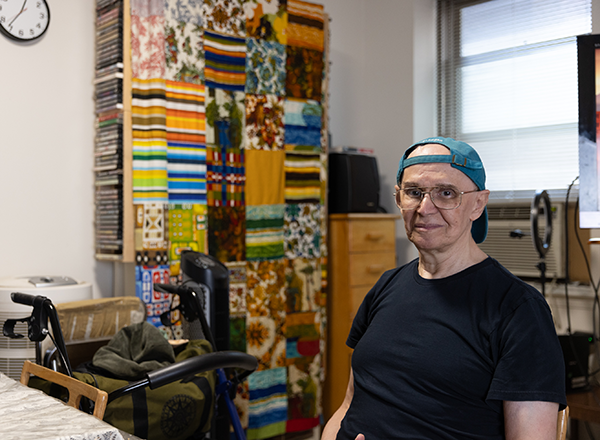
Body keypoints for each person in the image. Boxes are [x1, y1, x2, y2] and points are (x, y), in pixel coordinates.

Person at [321, 137, 566, 440]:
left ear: (478, 203)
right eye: (413, 193)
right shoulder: (386, 286)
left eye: (446, 193)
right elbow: (348, 405)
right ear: (399, 200)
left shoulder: (518, 309)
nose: (425, 208)